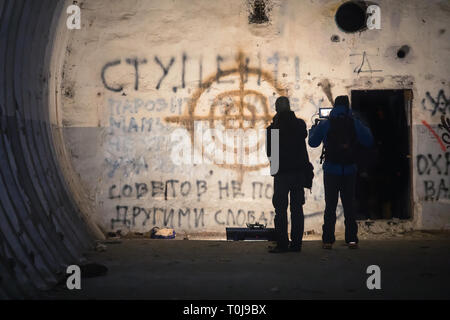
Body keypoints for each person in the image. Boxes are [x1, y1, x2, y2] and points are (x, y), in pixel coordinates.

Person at [308, 95, 373, 249]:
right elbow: (369, 140)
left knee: (330, 205)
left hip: (331, 170)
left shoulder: (326, 123)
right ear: (347, 106)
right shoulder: (354, 123)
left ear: (335, 106)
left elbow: (312, 142)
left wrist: (313, 130)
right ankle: (351, 239)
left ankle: (328, 240)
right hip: (350, 170)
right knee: (349, 205)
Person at [266, 96, 311, 253]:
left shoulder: (274, 128)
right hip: (298, 173)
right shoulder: (300, 125)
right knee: (297, 209)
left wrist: (276, 171)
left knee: (280, 210)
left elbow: (271, 154)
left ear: (277, 109)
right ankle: (296, 244)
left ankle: (282, 244)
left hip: (282, 175)